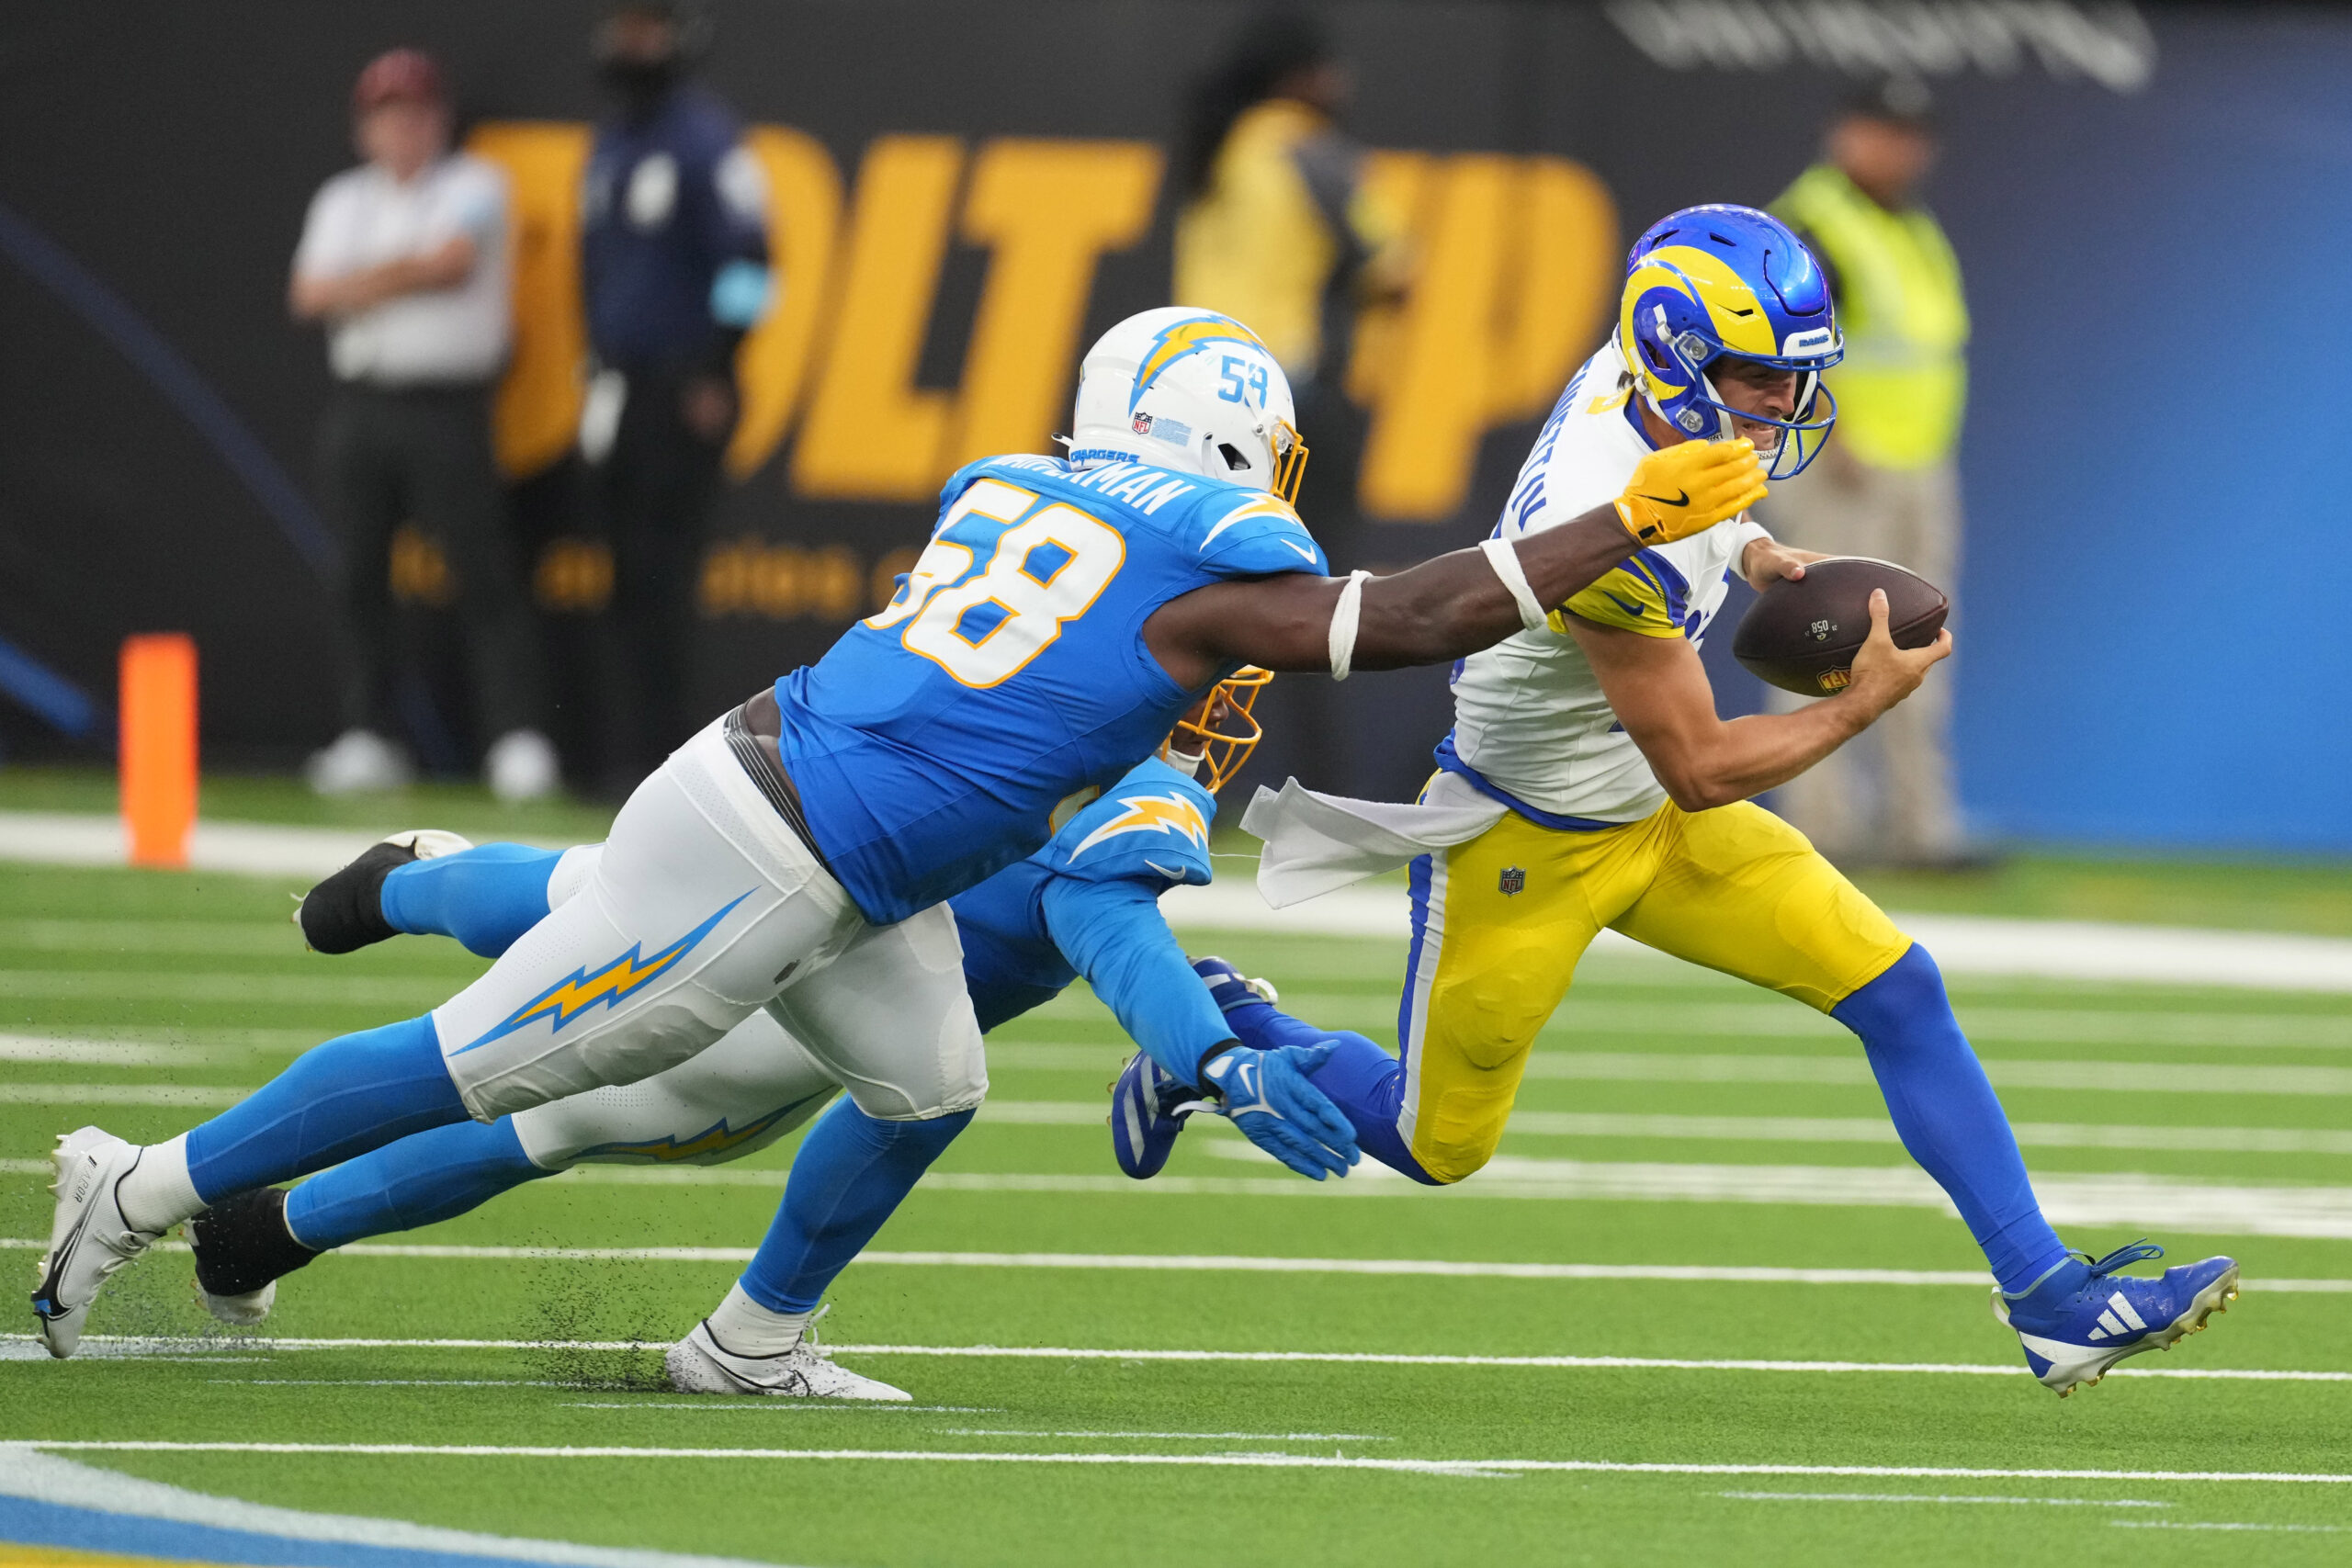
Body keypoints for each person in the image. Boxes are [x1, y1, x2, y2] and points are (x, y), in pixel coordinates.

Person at [34, 303, 1766, 1375]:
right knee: (500, 1069)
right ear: (1230, 441)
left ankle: (752, 1342)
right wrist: (1619, 517)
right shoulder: (1213, 549)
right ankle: (138, 1183)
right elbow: (1394, 625)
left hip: (830, 833)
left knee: (927, 1077)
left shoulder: (1016, 481)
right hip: (786, 851)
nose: (1282, 508)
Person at [1175, 208, 2236, 1398]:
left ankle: (2051, 1296)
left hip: (1646, 809)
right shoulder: (1607, 521)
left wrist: (1757, 554)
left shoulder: (1645, 386)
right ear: (1678, 355)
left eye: (1793, 382)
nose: (1782, 409)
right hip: (1527, 836)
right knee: (1436, 1143)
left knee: (1897, 987)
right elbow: (1704, 762)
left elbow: (1694, 496)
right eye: (1758, 381)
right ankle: (1219, 1023)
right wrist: (1858, 706)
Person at [183, 675, 1346, 1399]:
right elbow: (1104, 923)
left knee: (588, 898)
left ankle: (403, 887)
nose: (1221, 707)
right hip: (822, 980)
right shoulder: (1141, 791)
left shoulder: (1004, 657)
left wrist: (1201, 1022)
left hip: (762, 830)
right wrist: (1213, 1056)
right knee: (564, 1107)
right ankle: (262, 1223)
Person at [293, 48, 559, 802]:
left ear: (439, 120)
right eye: (388, 114)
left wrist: (364, 282)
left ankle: (517, 738)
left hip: (449, 407)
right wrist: (390, 275)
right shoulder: (343, 199)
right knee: (359, 575)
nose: (404, 128)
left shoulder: (476, 185)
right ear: (364, 127)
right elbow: (309, 295)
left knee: (484, 574)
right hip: (363, 403)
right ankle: (369, 733)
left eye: (416, 112)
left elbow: (449, 262)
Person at [1764, 79, 1973, 867]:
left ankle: (1920, 826)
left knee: (1923, 639)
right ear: (1843, 132)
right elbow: (1774, 342)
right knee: (1823, 640)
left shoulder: (1908, 223)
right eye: (1882, 129)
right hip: (1844, 464)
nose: (1899, 147)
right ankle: (1819, 824)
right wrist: (1830, 432)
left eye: (1913, 133)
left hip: (1917, 462)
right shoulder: (1813, 221)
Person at [579, 2, 774, 792]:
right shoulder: (612, 141)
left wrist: (715, 368)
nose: (630, 44)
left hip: (677, 389)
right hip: (617, 388)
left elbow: (754, 266)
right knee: (622, 578)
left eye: (646, 27)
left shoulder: (706, 141)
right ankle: (622, 753)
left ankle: (663, 759)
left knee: (662, 579)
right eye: (622, 25)